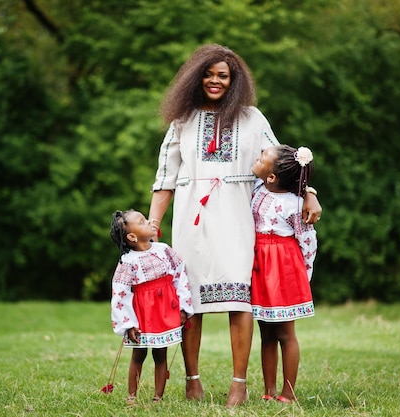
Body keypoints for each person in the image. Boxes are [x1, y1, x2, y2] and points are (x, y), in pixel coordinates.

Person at [147, 44, 322, 407]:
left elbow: (286, 164)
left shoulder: (253, 118)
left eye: (222, 75)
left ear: (234, 80)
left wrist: (310, 192)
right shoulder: (182, 120)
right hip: (191, 216)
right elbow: (164, 179)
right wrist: (152, 224)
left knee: (239, 298)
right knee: (189, 300)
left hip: (238, 217)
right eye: (208, 74)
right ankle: (192, 380)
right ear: (197, 77)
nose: (214, 81)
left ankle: (238, 384)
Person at [250, 145, 317, 403]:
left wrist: (304, 273)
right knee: (266, 331)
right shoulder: (256, 191)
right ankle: (269, 390)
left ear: (272, 177)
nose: (257, 156)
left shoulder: (295, 205)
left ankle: (288, 392)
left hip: (285, 268)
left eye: (261, 158)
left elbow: (307, 241)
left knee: (285, 333)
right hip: (260, 266)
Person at [109, 209, 194, 405]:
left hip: (164, 311)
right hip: (142, 315)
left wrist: (183, 307)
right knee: (139, 353)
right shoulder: (127, 262)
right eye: (142, 221)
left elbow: (180, 276)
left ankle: (158, 397)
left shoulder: (164, 250)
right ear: (132, 236)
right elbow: (120, 293)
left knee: (160, 353)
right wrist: (128, 323)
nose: (149, 222)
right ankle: (132, 396)